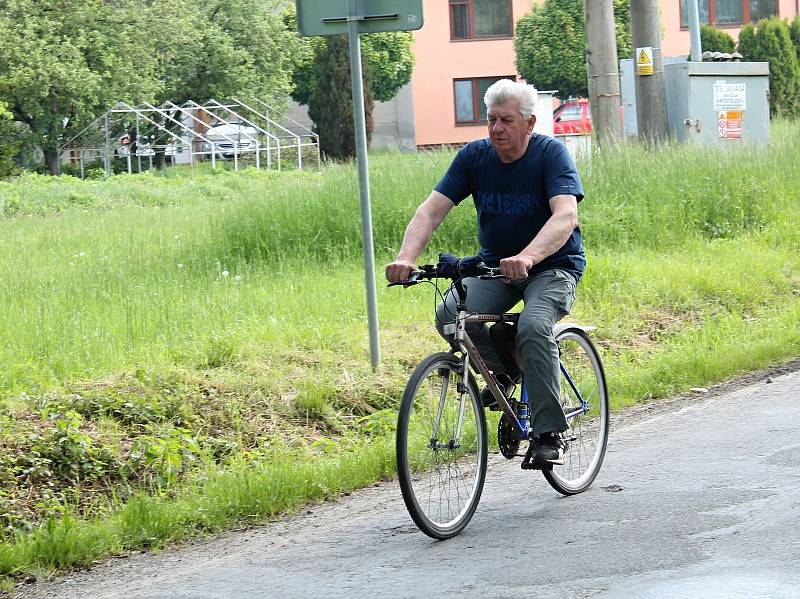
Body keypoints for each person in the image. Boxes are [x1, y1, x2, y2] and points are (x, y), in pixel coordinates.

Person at [385, 79, 586, 466]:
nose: (496, 129)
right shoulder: (475, 158)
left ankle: (550, 432)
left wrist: (528, 256)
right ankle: (505, 373)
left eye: (506, 121)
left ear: (529, 123)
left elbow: (566, 215)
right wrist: (406, 258)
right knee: (450, 315)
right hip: (496, 268)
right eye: (491, 120)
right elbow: (431, 210)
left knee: (532, 327)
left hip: (553, 267)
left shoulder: (551, 156)